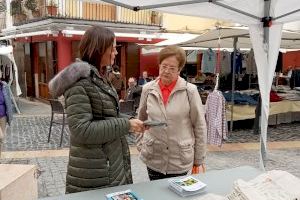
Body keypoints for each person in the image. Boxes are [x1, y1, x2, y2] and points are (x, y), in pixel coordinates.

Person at [48, 25, 145, 193]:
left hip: (106, 164)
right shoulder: (80, 83)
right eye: (113, 48)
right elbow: (82, 129)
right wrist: (126, 125)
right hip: (94, 172)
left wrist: (129, 120)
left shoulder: (99, 77)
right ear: (99, 49)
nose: (115, 53)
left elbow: (108, 114)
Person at [137, 46, 207, 180]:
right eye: (164, 66)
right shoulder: (147, 89)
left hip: (179, 159)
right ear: (159, 65)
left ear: (179, 70)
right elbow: (140, 119)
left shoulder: (190, 91)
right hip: (153, 157)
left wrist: (199, 158)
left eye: (172, 68)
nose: (166, 71)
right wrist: (141, 145)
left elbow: (199, 126)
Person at [0, 80, 13, 157]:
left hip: (3, 115)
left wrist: (9, 114)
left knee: (2, 139)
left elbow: (8, 100)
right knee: (0, 136)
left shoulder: (4, 86)